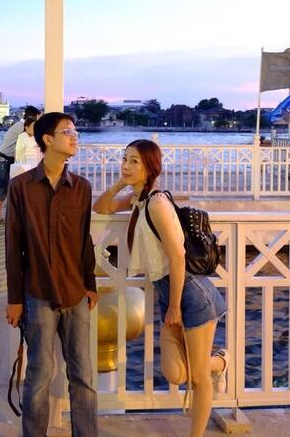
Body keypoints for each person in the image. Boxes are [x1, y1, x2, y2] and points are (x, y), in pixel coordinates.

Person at [92, 139, 228, 437]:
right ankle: (220, 361)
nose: (127, 166)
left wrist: (175, 306)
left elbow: (178, 255)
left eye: (135, 162)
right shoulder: (138, 199)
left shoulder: (156, 202)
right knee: (175, 373)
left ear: (151, 167)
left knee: (198, 378)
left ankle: (196, 432)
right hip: (172, 295)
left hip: (192, 297)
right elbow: (100, 207)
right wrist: (121, 183)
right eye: (125, 159)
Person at [5, 112, 98, 436]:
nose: (75, 137)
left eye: (75, 131)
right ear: (47, 139)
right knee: (39, 376)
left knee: (83, 376)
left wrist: (91, 284)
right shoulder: (21, 189)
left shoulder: (82, 188)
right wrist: (15, 300)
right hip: (38, 294)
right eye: (68, 132)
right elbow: (13, 248)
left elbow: (85, 239)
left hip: (75, 294)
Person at [0, 106, 42, 224]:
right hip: (4, 159)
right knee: (4, 187)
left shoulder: (24, 126)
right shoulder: (23, 127)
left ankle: (11, 215)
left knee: (12, 187)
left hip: (11, 159)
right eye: (38, 117)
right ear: (33, 117)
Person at [10, 115, 42, 179]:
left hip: (34, 165)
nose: (35, 129)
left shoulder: (34, 136)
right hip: (25, 166)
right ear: (27, 127)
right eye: (33, 127)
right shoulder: (22, 136)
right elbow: (20, 152)